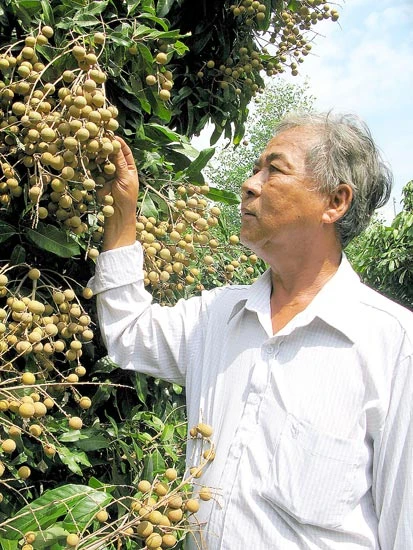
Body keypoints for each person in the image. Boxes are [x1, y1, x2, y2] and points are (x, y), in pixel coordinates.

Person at [88, 112, 413, 549]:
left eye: (274, 170)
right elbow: (130, 333)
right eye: (255, 168)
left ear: (335, 202)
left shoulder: (394, 345)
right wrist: (123, 216)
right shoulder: (218, 314)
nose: (250, 184)